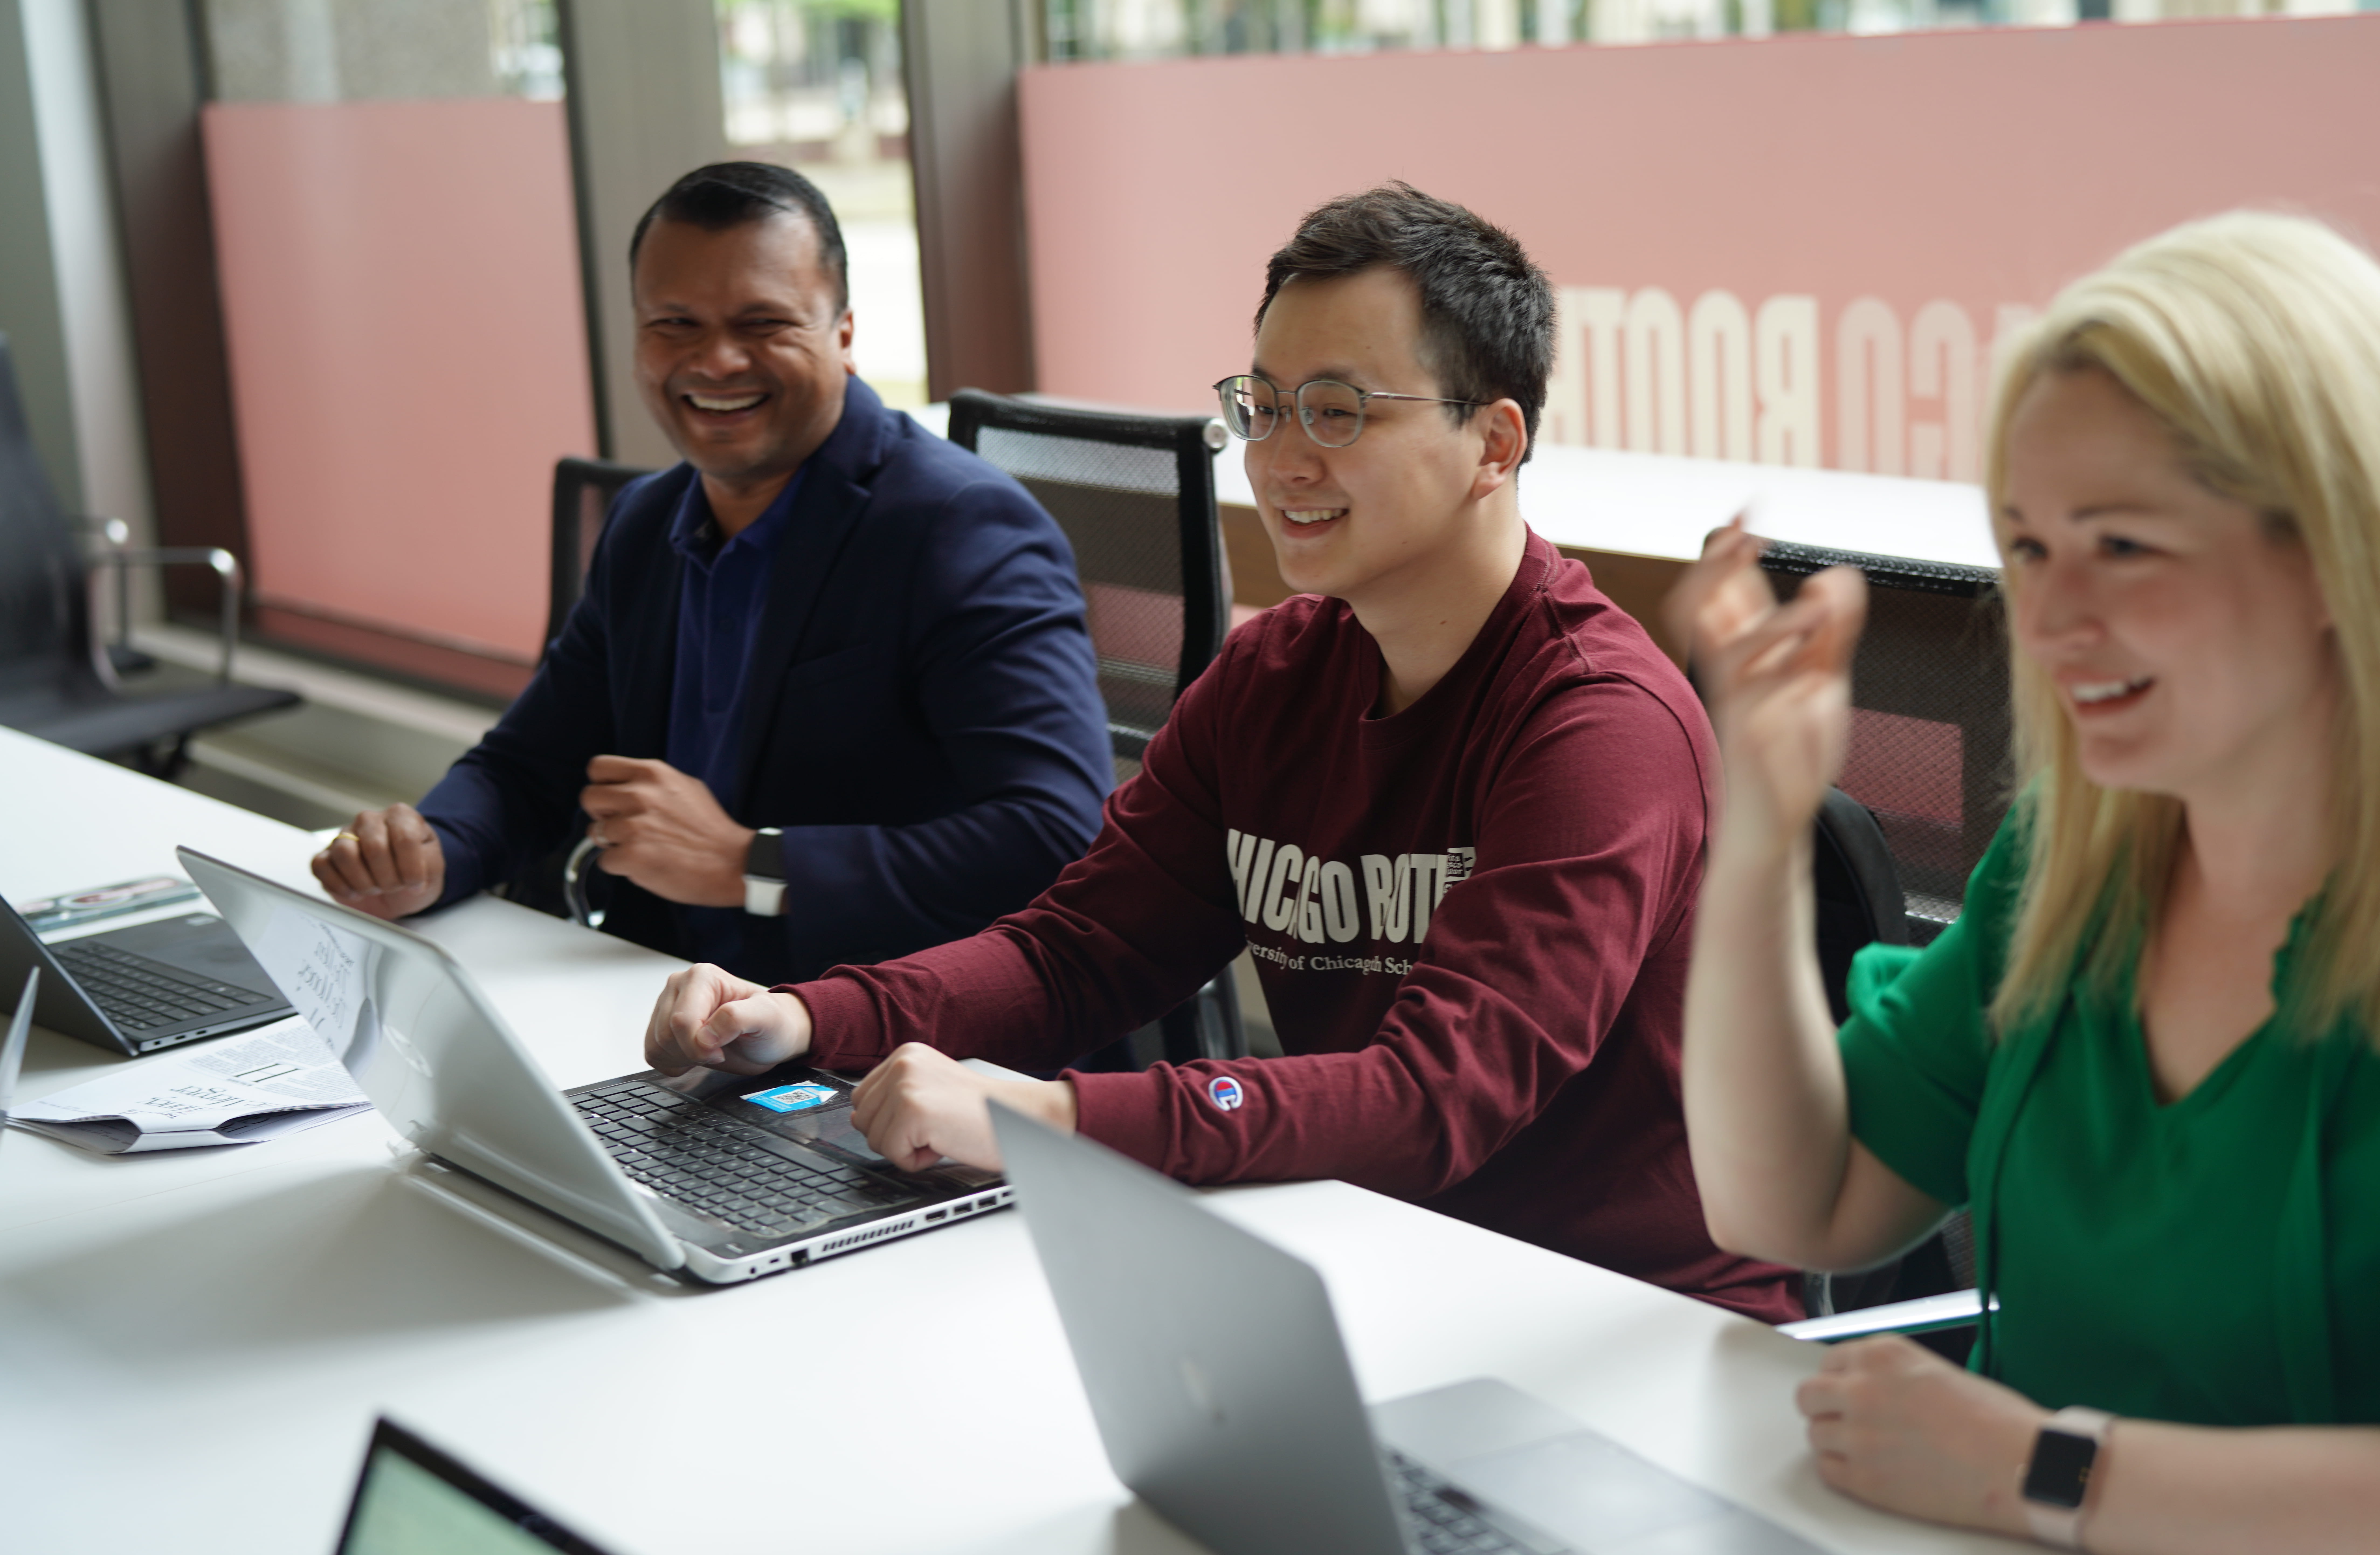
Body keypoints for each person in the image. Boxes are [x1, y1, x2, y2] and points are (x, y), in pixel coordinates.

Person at [643, 183, 1796, 1320]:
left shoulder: (1597, 723)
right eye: (1267, 406)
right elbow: (1075, 955)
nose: (1283, 461)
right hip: (1372, 1265)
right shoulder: (1273, 676)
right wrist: (803, 1020)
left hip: (1630, 1323)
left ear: (1494, 443)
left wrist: (1056, 1123)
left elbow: (1440, 1096)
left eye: (1340, 412)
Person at [1678, 211, 2380, 1555]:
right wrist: (1762, 833)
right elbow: (1797, 1200)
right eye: (2027, 548)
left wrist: (2042, 1470)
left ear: (2351, 555)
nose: (2048, 619)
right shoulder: (2079, 871)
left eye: (2123, 547)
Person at [312, 162, 1113, 985]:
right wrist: (432, 851)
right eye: (675, 324)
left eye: (764, 322)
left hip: (887, 1030)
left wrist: (751, 865)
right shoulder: (647, 521)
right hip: (658, 1002)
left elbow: (1057, 834)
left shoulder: (959, 527)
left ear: (843, 332)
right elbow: (530, 767)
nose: (717, 360)